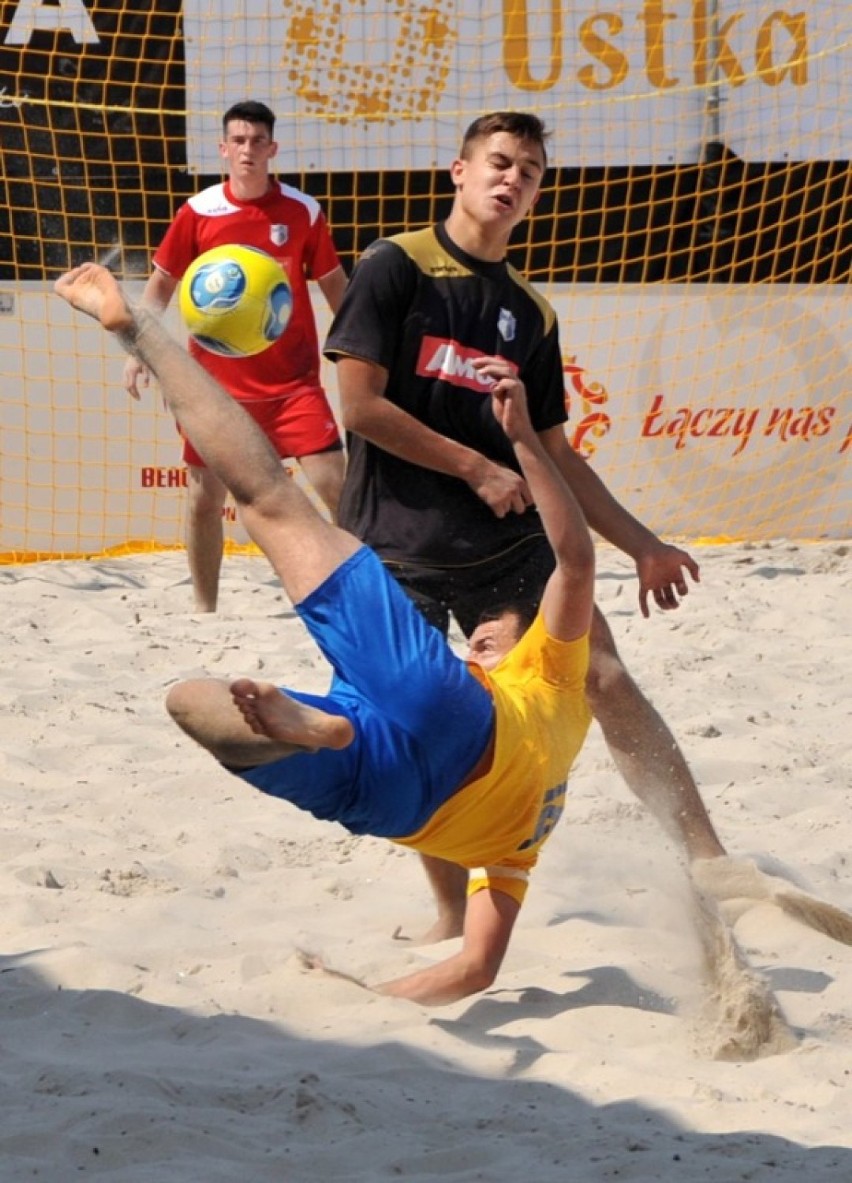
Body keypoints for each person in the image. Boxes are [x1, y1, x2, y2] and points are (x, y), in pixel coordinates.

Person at [56, 261, 597, 1006]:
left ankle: (139, 330)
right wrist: (372, 1000)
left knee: (269, 503)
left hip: (447, 719)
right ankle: (320, 728)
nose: (483, 634)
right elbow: (477, 967)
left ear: (500, 650)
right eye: (486, 634)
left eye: (491, 633)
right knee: (194, 697)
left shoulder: (548, 685)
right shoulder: (524, 841)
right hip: (398, 800)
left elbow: (575, 556)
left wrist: (525, 443)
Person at [324, 110, 729, 941]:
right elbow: (359, 408)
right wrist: (474, 465)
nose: (513, 179)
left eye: (531, 171)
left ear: (538, 194)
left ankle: (712, 862)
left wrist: (643, 544)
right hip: (395, 546)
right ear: (459, 171)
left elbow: (558, 455)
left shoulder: (530, 314)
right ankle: (447, 911)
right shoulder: (394, 267)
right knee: (415, 727)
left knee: (606, 679)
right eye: (499, 163)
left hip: (507, 546)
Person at [125, 100, 347, 612]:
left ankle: (369, 600)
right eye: (238, 141)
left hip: (293, 386)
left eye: (257, 141)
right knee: (204, 500)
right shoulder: (199, 212)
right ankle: (205, 612)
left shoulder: (302, 211)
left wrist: (368, 351)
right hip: (214, 393)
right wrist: (136, 349)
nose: (248, 150)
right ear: (224, 149)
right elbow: (160, 288)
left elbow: (338, 290)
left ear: (273, 149)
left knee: (340, 491)